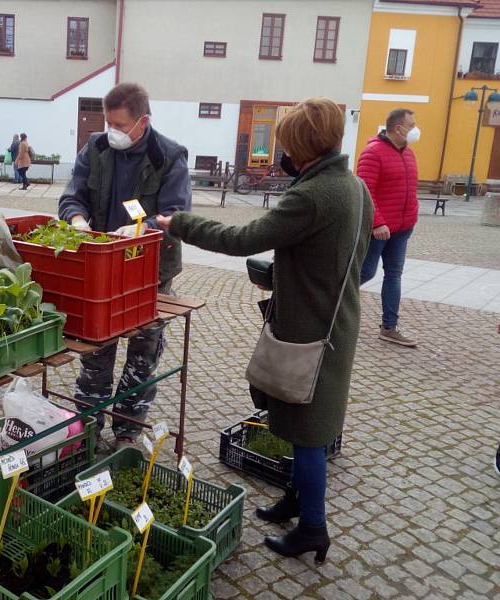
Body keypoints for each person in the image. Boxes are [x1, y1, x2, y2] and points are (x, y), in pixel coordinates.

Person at [157, 98, 373, 563]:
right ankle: (296, 501)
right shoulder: (354, 186)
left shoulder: (311, 195)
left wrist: (180, 223)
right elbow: (363, 263)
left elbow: (242, 239)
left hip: (310, 331)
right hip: (336, 321)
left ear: (302, 146)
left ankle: (313, 528)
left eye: (288, 144)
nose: (284, 154)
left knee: (309, 432)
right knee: (300, 422)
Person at [58, 82, 191, 448]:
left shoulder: (169, 156)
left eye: (119, 125)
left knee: (143, 357)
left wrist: (140, 230)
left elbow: (176, 215)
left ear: (142, 121)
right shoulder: (96, 149)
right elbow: (72, 195)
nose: (111, 131)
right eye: (108, 123)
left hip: (150, 272)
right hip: (101, 269)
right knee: (96, 352)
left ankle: (128, 431)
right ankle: (87, 428)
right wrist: (77, 221)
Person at [358, 108, 420, 347]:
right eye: (411, 124)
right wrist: (377, 222)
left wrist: (411, 216)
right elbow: (365, 191)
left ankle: (389, 327)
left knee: (394, 275)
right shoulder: (373, 152)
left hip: (402, 228)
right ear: (398, 128)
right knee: (365, 272)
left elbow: (408, 189)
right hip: (379, 229)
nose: (415, 129)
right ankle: (328, 304)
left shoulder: (408, 154)